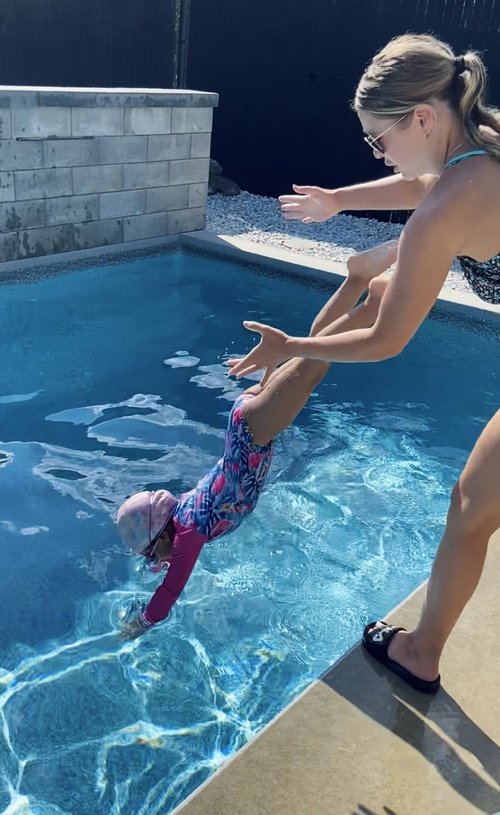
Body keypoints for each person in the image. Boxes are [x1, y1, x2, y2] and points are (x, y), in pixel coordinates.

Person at [228, 33, 500, 693]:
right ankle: (419, 650)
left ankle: (418, 653)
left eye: (378, 139)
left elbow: (385, 338)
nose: (376, 152)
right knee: (475, 504)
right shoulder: (483, 148)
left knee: (471, 505)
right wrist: (341, 200)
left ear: (423, 119)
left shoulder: (450, 202)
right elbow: (422, 181)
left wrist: (292, 345)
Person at [115, 264, 387, 639]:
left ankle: (376, 301)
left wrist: (140, 623)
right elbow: (162, 561)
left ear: (162, 536)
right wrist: (155, 558)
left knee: (315, 361)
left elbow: (170, 591)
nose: (154, 562)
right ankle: (358, 277)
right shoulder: (180, 520)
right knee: (315, 354)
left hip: (252, 432)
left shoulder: (189, 534)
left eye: (150, 554)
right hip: (250, 427)